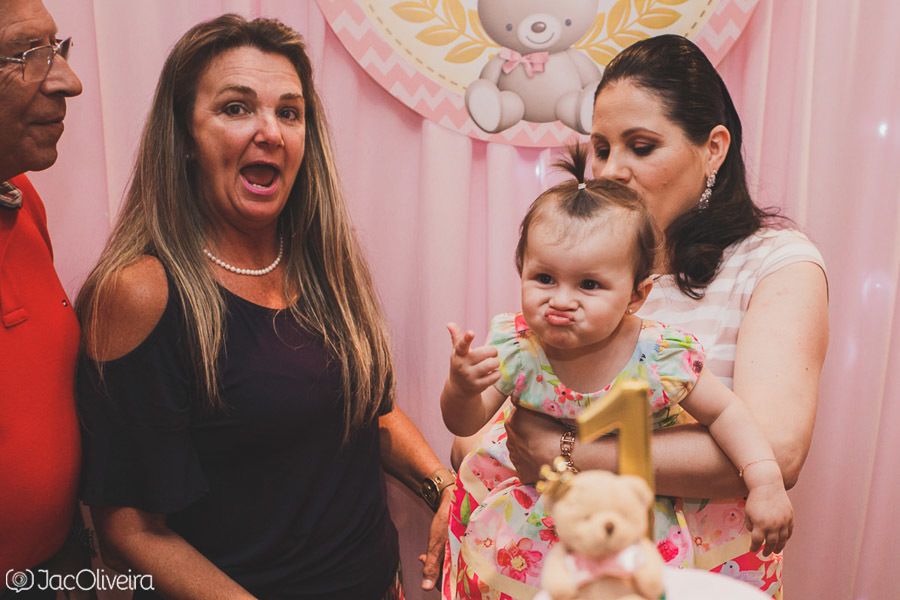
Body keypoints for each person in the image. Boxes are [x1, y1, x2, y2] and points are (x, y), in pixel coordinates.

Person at [76, 14, 451, 600]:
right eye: (235, 108)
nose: (271, 132)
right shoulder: (142, 293)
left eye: (289, 111)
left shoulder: (325, 264)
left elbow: (366, 415)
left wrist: (442, 488)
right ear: (184, 138)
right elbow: (129, 527)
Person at [470, 34, 828, 598]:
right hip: (561, 563)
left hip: (699, 572)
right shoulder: (590, 264)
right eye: (603, 147)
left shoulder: (776, 263)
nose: (612, 170)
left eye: (641, 146)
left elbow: (777, 450)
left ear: (713, 149)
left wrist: (564, 453)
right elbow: (513, 407)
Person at [440, 147, 794, 599]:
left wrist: (763, 480)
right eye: (544, 278)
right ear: (521, 270)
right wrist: (462, 386)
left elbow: (726, 414)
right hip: (539, 517)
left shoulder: (660, 355)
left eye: (589, 285)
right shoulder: (518, 346)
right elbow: (464, 423)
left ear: (636, 294)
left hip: (645, 513)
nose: (562, 299)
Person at [0, 0, 92, 594]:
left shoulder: (23, 199)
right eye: (27, 55)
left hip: (58, 567)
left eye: (56, 48)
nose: (68, 81)